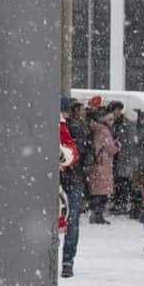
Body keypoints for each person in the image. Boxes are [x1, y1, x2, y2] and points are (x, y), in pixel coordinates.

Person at [58, 97, 90, 275]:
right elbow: (82, 153)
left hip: (62, 176)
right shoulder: (78, 127)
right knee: (72, 219)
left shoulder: (54, 126)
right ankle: (68, 261)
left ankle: (62, 259)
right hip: (74, 177)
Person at [84, 101, 118, 224]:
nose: (112, 122)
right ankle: (97, 214)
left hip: (98, 162)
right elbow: (111, 148)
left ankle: (96, 213)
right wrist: (117, 146)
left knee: (97, 190)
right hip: (103, 163)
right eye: (110, 119)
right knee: (102, 191)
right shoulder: (104, 131)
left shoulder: (96, 129)